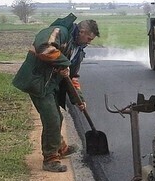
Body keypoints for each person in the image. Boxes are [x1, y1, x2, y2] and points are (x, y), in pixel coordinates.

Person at [12, 14, 100, 172]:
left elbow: (71, 77)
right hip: (37, 81)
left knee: (57, 117)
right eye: (89, 39)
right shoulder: (60, 32)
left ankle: (60, 147)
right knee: (52, 118)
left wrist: (79, 99)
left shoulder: (78, 51)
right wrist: (63, 63)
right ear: (82, 31)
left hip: (50, 84)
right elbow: (43, 46)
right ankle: (50, 159)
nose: (89, 43)